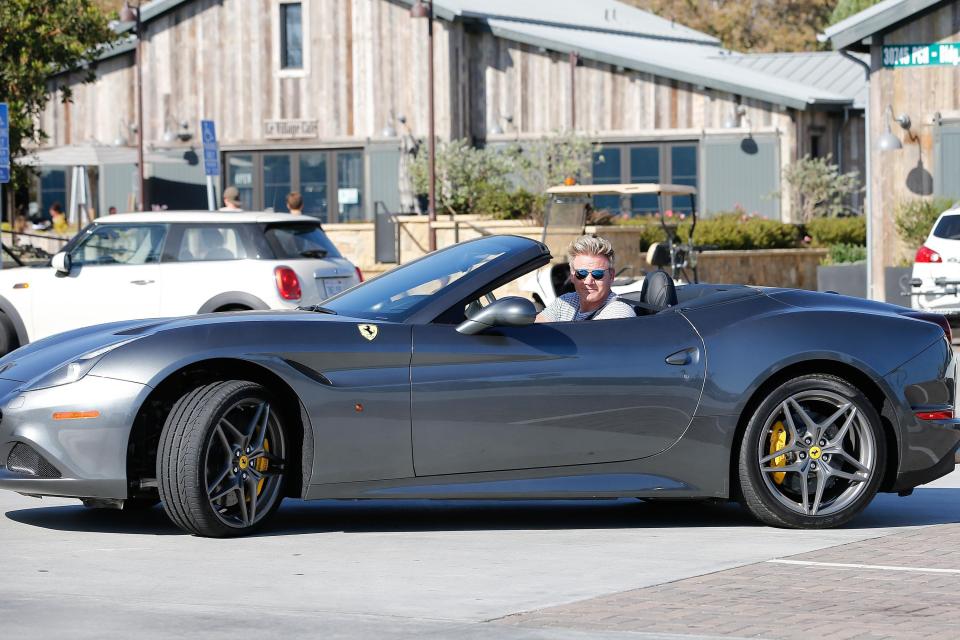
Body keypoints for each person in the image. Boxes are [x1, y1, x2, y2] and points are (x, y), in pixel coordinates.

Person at [536, 235, 636, 322]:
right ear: (572, 276)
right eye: (581, 273)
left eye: (597, 274)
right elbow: (535, 329)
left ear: (611, 275)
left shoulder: (619, 312)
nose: (588, 281)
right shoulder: (564, 303)